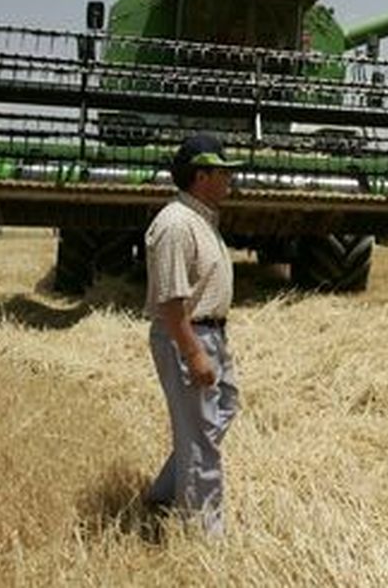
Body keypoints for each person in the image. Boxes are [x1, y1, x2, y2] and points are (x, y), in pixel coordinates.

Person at [144, 133, 244, 538]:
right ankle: (204, 535)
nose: (229, 180)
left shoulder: (199, 219)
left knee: (222, 410)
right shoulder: (175, 225)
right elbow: (170, 302)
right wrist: (194, 353)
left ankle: (167, 491)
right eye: (224, 173)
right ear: (201, 176)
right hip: (187, 335)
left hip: (210, 334)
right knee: (201, 436)